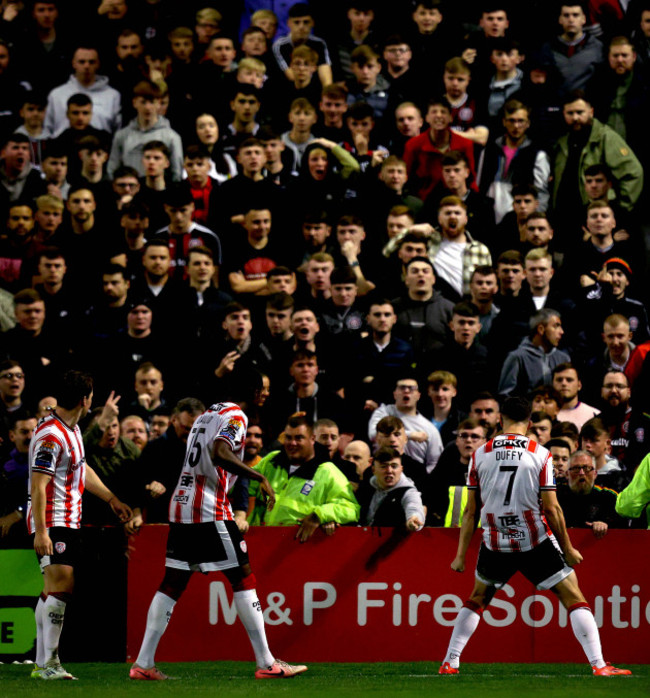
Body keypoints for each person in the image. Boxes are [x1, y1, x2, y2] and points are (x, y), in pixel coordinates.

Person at [438, 396, 632, 677]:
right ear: (529, 422)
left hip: (495, 542)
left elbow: (470, 512)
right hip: (533, 540)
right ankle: (599, 665)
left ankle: (450, 661)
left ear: (500, 420)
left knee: (477, 598)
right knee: (574, 596)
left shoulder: (479, 455)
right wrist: (567, 548)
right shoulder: (540, 454)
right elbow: (552, 509)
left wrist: (459, 556)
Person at [130, 388, 308, 681]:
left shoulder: (205, 416)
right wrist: (258, 476)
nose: (265, 392)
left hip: (181, 507)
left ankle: (143, 663)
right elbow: (220, 452)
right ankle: (266, 663)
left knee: (172, 584)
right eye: (262, 387)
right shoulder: (235, 415)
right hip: (209, 510)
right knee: (244, 578)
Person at [28, 370, 132, 680]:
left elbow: (80, 469)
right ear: (85, 400)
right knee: (62, 586)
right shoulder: (51, 434)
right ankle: (50, 664)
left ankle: (41, 664)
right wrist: (43, 531)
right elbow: (38, 485)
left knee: (52, 590)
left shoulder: (70, 429)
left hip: (68, 521)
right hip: (53, 520)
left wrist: (111, 498)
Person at [248, 414, 359, 536]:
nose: (292, 443)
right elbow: (244, 484)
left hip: (299, 548)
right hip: (259, 541)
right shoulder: (271, 461)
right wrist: (241, 514)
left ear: (312, 439)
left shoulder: (328, 473)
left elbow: (351, 509)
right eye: (288, 438)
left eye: (299, 438)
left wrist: (319, 515)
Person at [498, 309, 570, 398]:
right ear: (541, 329)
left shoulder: (563, 358)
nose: (561, 332)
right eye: (556, 326)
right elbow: (505, 395)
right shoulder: (517, 357)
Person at [557, 450, 627, 536]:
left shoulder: (609, 497)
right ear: (567, 474)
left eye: (587, 468)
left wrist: (605, 524)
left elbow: (622, 526)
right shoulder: (555, 496)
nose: (582, 473)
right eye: (576, 468)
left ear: (595, 473)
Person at [358, 446, 425, 530]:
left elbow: (414, 507)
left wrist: (413, 519)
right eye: (383, 466)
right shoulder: (366, 487)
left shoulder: (408, 492)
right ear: (373, 470)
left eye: (394, 466)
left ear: (401, 469)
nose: (389, 470)